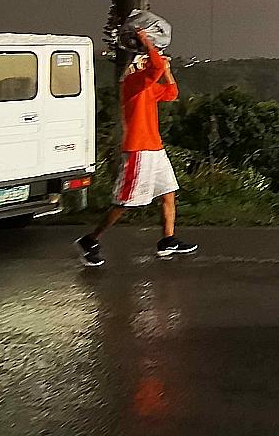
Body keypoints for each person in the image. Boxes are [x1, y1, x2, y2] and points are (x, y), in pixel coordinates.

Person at [76, 28, 196, 266]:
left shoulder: (147, 86)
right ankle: (90, 239)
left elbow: (171, 93)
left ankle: (167, 240)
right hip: (139, 149)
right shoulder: (132, 83)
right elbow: (156, 67)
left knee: (168, 192)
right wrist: (146, 41)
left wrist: (169, 71)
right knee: (125, 201)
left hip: (154, 148)